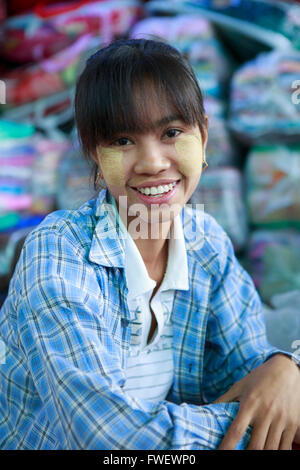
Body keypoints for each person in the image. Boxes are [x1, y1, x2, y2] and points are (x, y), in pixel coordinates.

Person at [0, 38, 300, 451]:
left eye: (172, 132)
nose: (153, 162)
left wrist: (285, 368)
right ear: (93, 155)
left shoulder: (207, 244)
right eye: (123, 141)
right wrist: (268, 417)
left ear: (204, 136)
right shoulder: (56, 252)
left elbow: (247, 367)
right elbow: (105, 437)